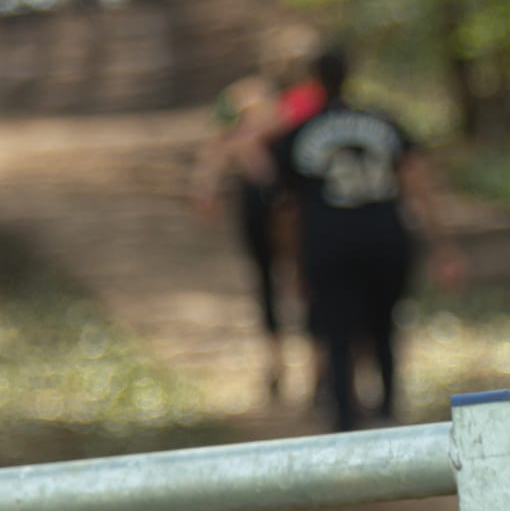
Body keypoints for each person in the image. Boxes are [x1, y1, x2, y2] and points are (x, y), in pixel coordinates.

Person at [270, 47, 465, 432]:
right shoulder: (385, 123)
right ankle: (389, 410)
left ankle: (344, 420)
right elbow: (417, 186)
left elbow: (286, 209)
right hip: (386, 239)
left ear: (315, 79)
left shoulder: (298, 135)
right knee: (384, 328)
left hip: (329, 244)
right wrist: (443, 245)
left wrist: (291, 262)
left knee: (336, 333)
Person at [191, 27, 325, 402]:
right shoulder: (246, 97)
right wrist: (208, 186)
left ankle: (312, 366)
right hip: (268, 201)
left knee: (304, 283)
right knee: (273, 281)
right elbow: (220, 145)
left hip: (296, 200)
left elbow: (224, 147)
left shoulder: (309, 100)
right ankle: (279, 364)